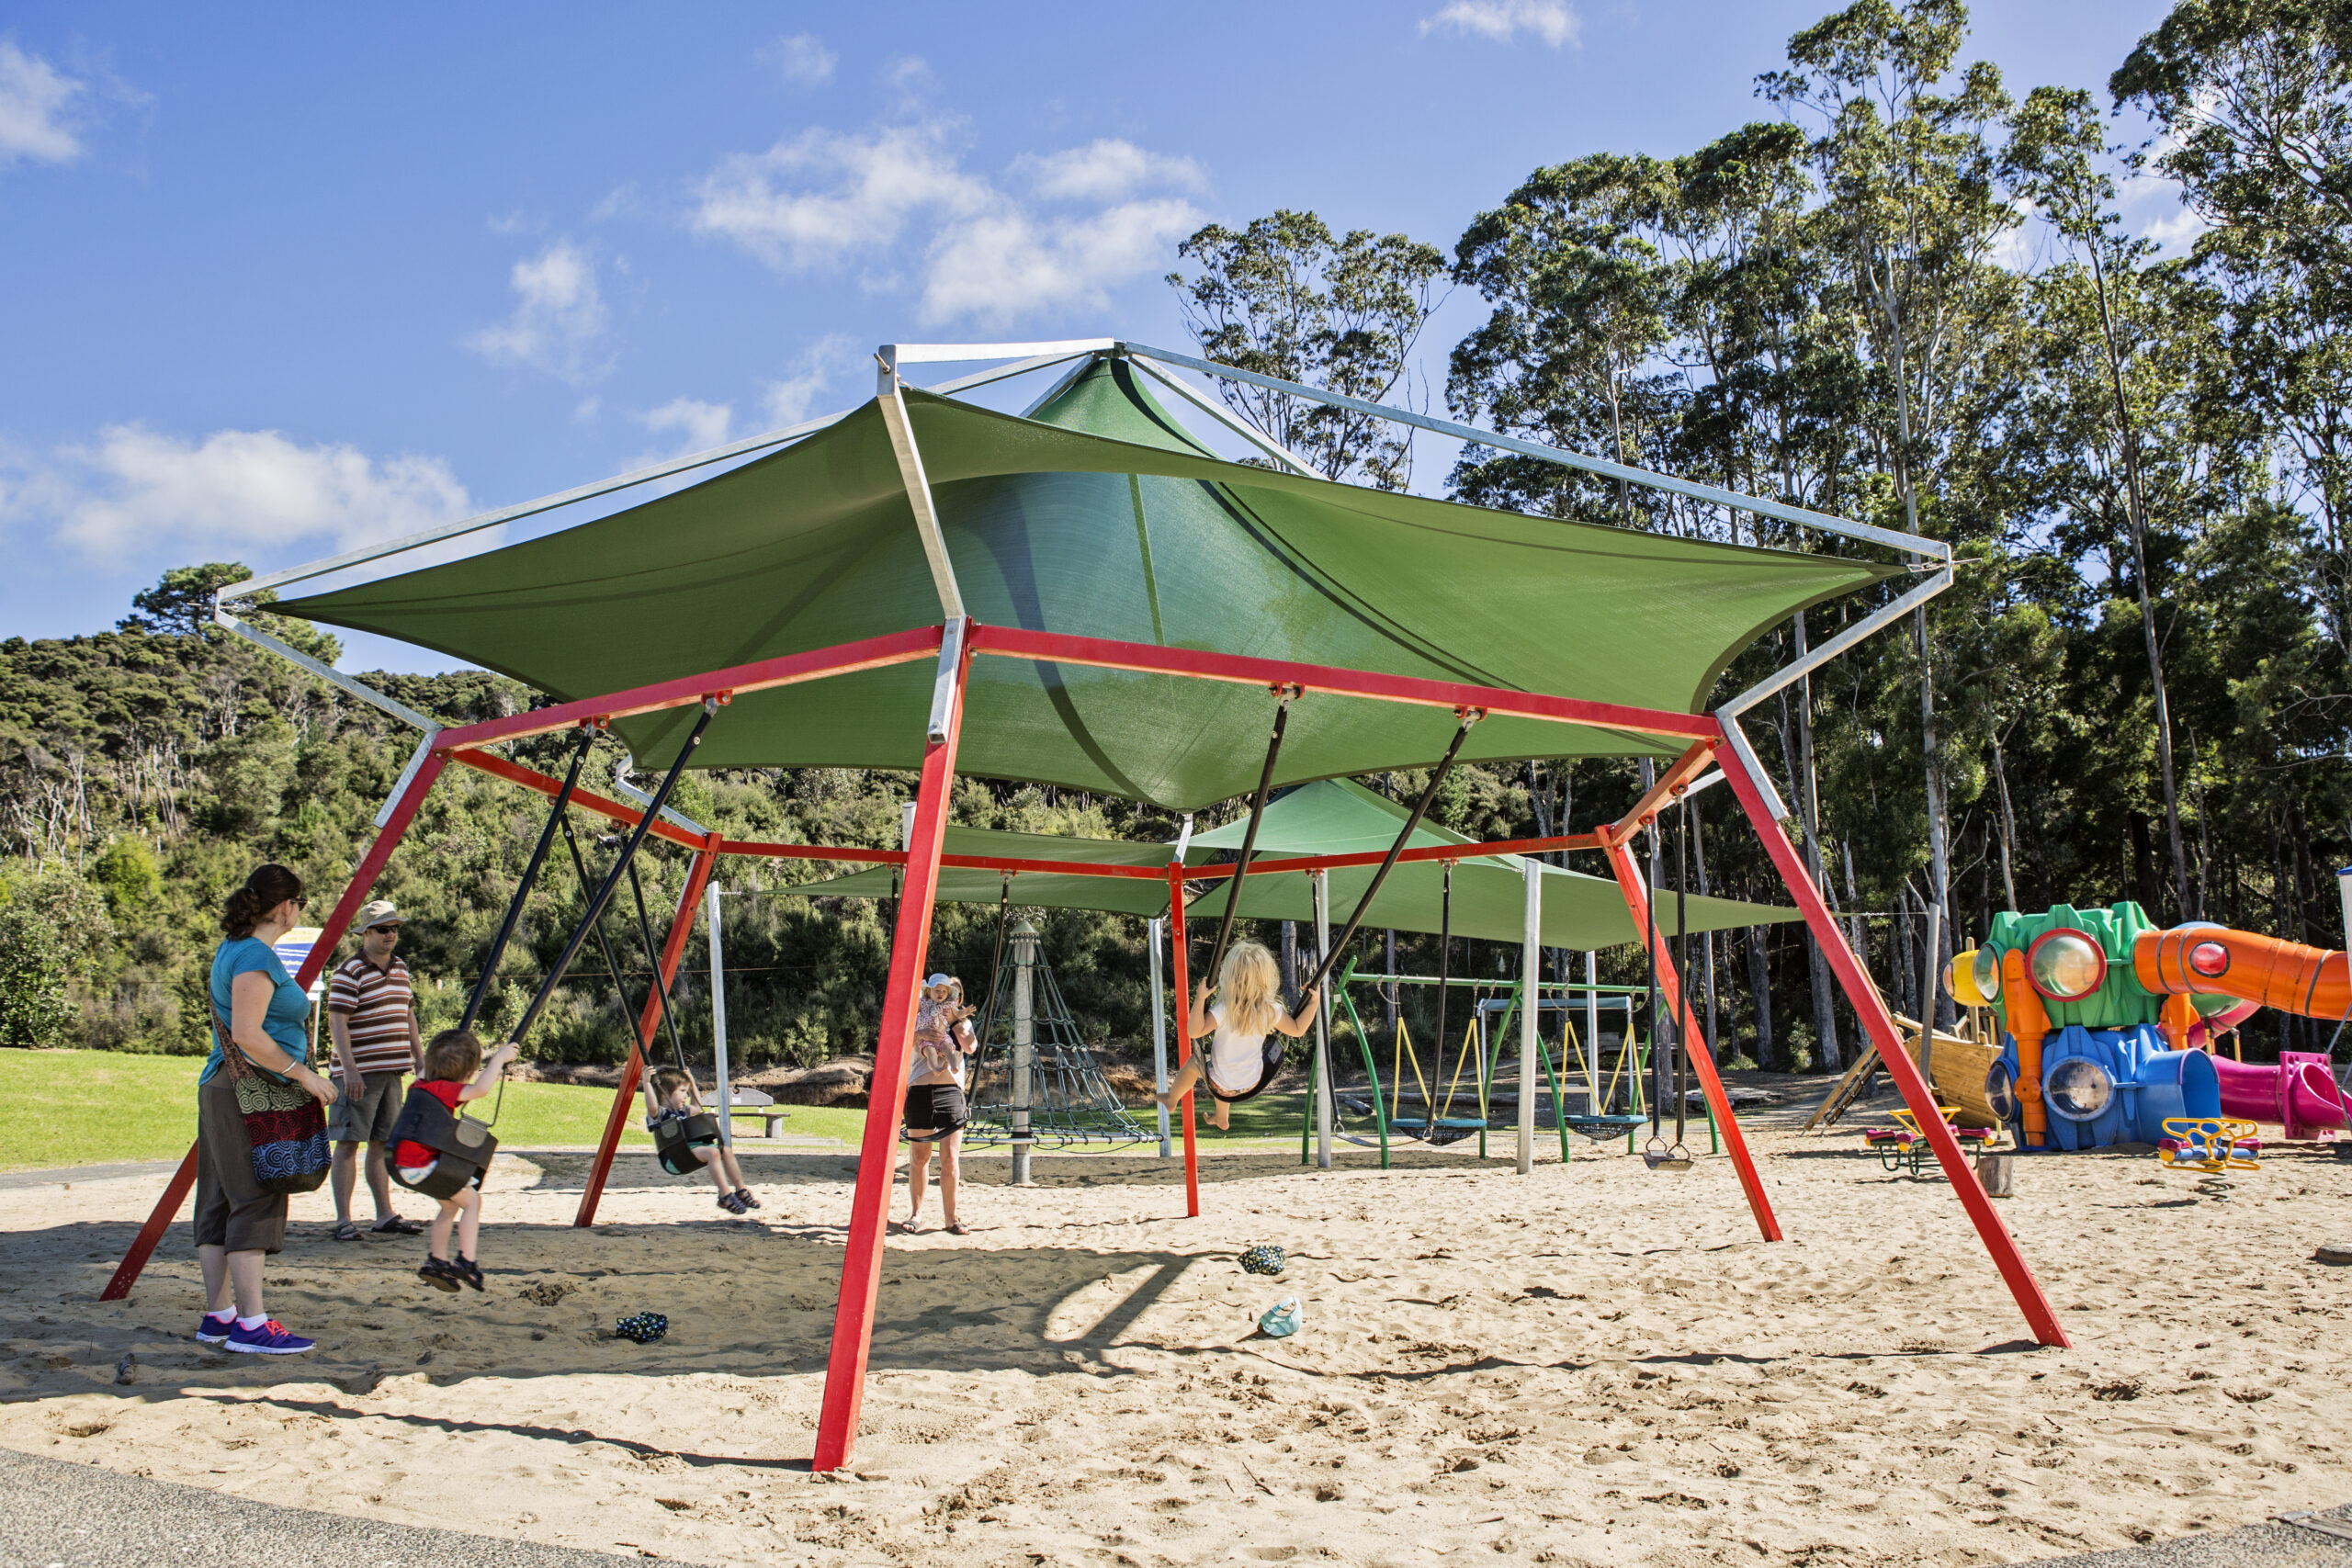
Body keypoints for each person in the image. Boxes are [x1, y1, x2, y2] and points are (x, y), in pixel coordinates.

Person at [194, 863, 339, 1355]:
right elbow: (249, 1034)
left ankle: (220, 1316)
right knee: (257, 1196)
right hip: (250, 1092)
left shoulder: (232, 950)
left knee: (218, 1201)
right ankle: (252, 1325)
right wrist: (303, 1073)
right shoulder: (256, 955)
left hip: (220, 1086)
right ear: (286, 907)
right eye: (299, 903)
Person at [325, 899, 424, 1242]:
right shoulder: (349, 971)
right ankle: (343, 1219)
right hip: (358, 1074)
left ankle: (384, 1214)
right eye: (383, 929)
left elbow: (407, 1013)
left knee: (382, 1144)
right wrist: (349, 1070)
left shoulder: (400, 968)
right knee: (349, 1142)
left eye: (395, 928)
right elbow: (337, 1020)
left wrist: (419, 1056)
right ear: (365, 932)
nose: (391, 935)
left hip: (392, 1072)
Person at [392, 1028, 517, 1292]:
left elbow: (428, 1066)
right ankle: (466, 1262)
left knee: (450, 1206)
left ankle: (436, 1261)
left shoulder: (421, 1083)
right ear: (465, 1073)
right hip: (422, 1167)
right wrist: (499, 1058)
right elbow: (482, 1089)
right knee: (472, 1201)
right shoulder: (444, 1090)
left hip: (401, 1164)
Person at [1156, 939, 1319, 1132]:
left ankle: (1172, 1098)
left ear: (1230, 979)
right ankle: (1222, 1117)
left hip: (1221, 1083)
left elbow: (1194, 1032)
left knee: (1197, 1063)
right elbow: (1298, 1029)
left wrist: (1200, 998)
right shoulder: (1270, 1010)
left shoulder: (1226, 1009)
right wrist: (1313, 1003)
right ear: (1265, 978)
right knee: (1219, 1067)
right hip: (1252, 1083)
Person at [902, 975, 978, 1235]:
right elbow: (900, 1042)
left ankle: (951, 1217)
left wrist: (956, 1022)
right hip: (921, 1088)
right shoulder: (921, 1015)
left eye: (954, 994)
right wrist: (919, 1033)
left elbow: (971, 1047)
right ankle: (916, 1214)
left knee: (950, 1160)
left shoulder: (961, 1022)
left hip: (950, 1090)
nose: (948, 997)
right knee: (919, 1157)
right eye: (945, 992)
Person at [642, 1066, 757, 1213]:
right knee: (713, 1153)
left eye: (687, 1091)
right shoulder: (660, 1113)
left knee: (725, 1151)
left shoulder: (684, 1111)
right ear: (665, 1094)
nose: (686, 1096)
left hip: (690, 1152)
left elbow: (697, 1105)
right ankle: (724, 1196)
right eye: (682, 1091)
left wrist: (692, 1082)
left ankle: (741, 1189)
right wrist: (646, 1083)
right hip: (674, 1159)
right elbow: (652, 1107)